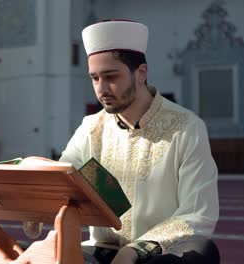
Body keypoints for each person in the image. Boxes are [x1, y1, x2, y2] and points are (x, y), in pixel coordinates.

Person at [58, 20, 220, 264]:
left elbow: (197, 214)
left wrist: (134, 251)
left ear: (141, 73)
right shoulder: (90, 129)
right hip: (103, 251)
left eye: (111, 76)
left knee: (201, 250)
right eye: (94, 78)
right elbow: (62, 179)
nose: (101, 89)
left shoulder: (186, 127)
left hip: (160, 251)